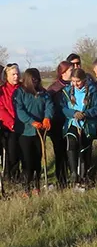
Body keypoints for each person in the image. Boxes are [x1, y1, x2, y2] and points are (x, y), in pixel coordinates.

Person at [60, 68, 97, 190]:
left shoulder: (93, 91)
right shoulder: (66, 91)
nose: (76, 84)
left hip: (87, 124)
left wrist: (85, 114)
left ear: (84, 80)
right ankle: (73, 173)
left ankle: (84, 176)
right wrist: (73, 113)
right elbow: (62, 107)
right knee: (71, 143)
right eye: (73, 81)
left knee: (85, 149)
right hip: (72, 123)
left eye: (78, 81)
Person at [13, 68, 53, 196]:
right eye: (32, 80)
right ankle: (26, 187)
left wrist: (47, 117)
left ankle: (37, 185)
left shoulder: (43, 93)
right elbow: (19, 110)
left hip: (39, 131)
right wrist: (31, 121)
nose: (35, 82)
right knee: (26, 160)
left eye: (37, 79)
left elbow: (49, 105)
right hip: (25, 131)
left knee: (37, 159)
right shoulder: (19, 93)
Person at [47, 61, 73, 187]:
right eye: (69, 70)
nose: (72, 72)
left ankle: (75, 177)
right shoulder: (54, 88)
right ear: (62, 72)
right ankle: (61, 179)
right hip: (57, 124)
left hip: (72, 122)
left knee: (72, 151)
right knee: (60, 152)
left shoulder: (76, 84)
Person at [1, 63, 22, 184]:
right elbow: (1, 108)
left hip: (24, 125)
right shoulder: (2, 90)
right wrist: (11, 122)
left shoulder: (23, 88)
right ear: (6, 76)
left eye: (17, 74)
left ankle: (25, 175)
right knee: (11, 152)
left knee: (24, 152)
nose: (16, 76)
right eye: (13, 74)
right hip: (9, 126)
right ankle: (11, 177)